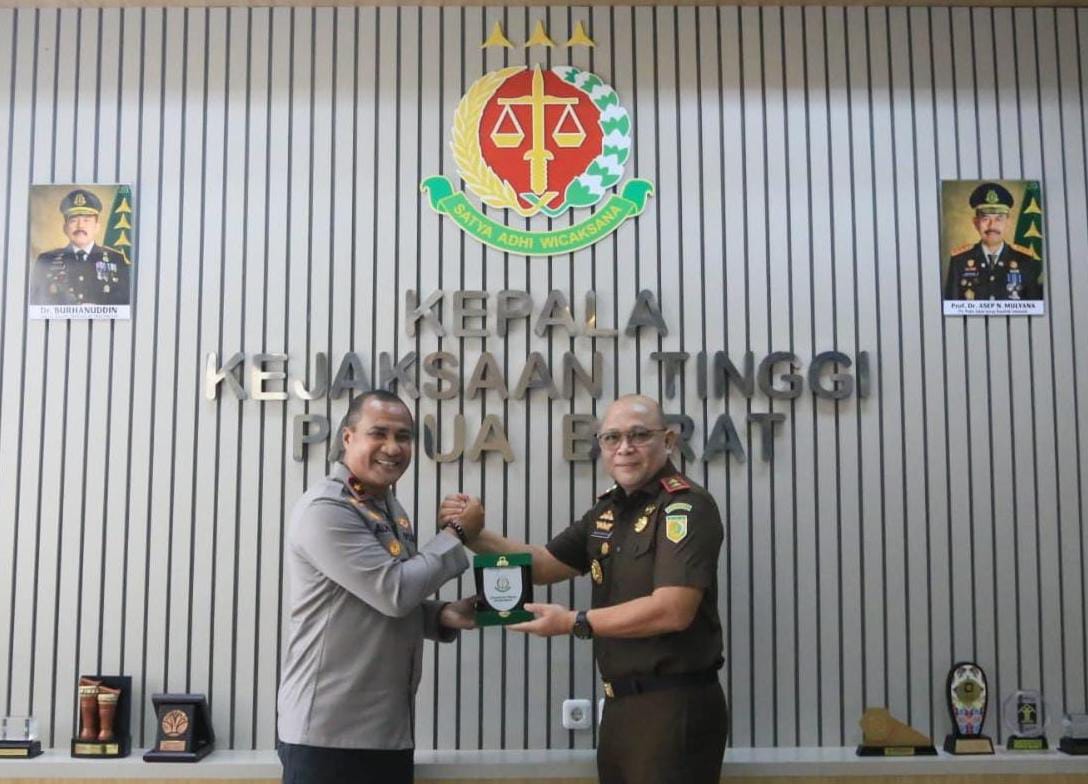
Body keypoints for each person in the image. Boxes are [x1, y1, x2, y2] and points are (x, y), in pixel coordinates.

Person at [441, 394, 728, 784]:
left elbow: (673, 609)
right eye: (612, 438)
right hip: (620, 709)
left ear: (668, 440)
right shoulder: (607, 510)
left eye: (639, 435)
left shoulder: (685, 507)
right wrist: (472, 533)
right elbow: (543, 563)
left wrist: (573, 622)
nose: (624, 448)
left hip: (674, 708)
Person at [277, 390, 479, 784]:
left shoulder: (386, 507)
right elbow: (394, 592)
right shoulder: (327, 509)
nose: (393, 447)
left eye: (403, 436)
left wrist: (442, 615)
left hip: (385, 732)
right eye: (379, 433)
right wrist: (456, 533)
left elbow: (368, 599)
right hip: (330, 736)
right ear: (348, 437)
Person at [944, 182, 1042, 302]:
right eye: (985, 219)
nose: (992, 226)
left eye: (999, 219)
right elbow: (951, 307)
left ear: (1008, 223)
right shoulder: (959, 261)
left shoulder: (1025, 260)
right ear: (976, 223)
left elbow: (1035, 307)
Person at [30, 188, 130, 306]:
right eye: (73, 220)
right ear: (65, 228)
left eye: (86, 220)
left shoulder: (116, 260)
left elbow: (125, 305)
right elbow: (35, 304)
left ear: (97, 227)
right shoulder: (46, 261)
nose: (80, 226)